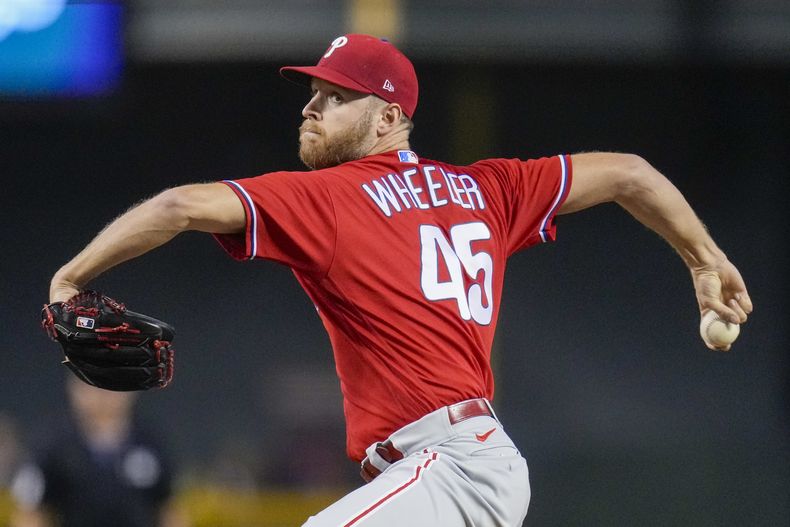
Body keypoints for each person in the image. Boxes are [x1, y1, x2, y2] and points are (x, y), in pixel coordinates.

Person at [47, 34, 752, 526]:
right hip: (448, 471)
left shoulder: (331, 198)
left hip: (451, 467)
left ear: (387, 117)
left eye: (333, 96)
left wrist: (70, 276)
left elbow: (177, 207)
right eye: (312, 94)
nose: (310, 107)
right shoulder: (490, 188)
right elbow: (630, 172)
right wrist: (703, 258)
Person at [10, 376, 187, 527]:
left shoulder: (150, 441)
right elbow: (31, 510)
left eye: (113, 382)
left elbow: (169, 508)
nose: (104, 393)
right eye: (93, 383)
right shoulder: (53, 444)